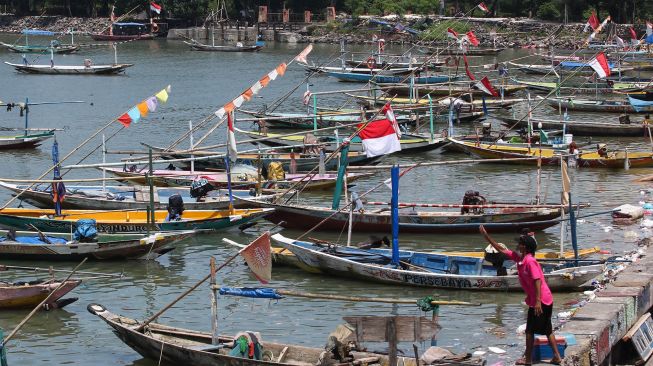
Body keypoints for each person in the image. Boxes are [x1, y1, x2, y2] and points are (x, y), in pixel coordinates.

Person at [479, 225, 562, 365]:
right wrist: (486, 236)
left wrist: (537, 302)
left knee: (530, 331)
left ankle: (528, 360)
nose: (518, 245)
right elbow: (501, 249)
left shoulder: (530, 261)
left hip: (541, 300)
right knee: (547, 329)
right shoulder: (519, 259)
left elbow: (537, 280)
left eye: (520, 244)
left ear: (526, 247)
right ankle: (557, 356)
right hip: (541, 300)